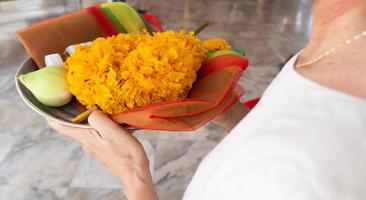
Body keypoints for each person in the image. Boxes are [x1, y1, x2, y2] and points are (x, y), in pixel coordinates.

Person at [48, 0, 366, 199]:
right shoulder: (338, 40)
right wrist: (229, 111)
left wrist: (134, 177)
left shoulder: (309, 180)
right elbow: (282, 131)